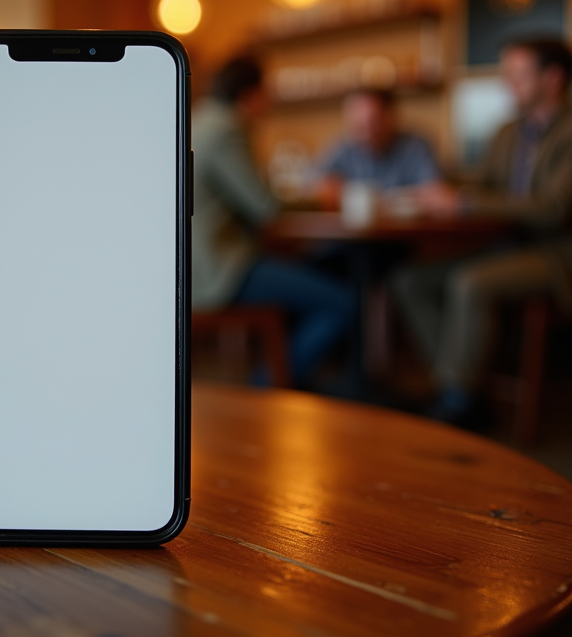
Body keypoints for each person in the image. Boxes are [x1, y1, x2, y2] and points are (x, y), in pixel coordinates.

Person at [392, 37, 572, 424]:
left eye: (518, 76)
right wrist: (445, 190)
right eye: (506, 74)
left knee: (470, 282)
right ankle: (458, 387)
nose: (508, 84)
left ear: (554, 78)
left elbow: (553, 209)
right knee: (410, 281)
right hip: (507, 245)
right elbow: (485, 186)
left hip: (555, 253)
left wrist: (466, 203)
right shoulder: (509, 132)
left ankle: (457, 402)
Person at [193, 55, 353, 387]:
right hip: (220, 272)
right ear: (250, 94)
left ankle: (299, 380)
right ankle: (266, 386)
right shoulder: (226, 129)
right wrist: (318, 195)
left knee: (312, 273)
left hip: (198, 265)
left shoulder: (201, 120)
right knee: (341, 302)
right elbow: (265, 207)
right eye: (266, 93)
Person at [311, 87, 445, 207]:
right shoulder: (341, 147)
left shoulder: (416, 145)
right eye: (358, 127)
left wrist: (374, 198)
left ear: (392, 117)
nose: (367, 134)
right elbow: (314, 187)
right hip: (355, 233)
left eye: (373, 123)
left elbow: (437, 193)